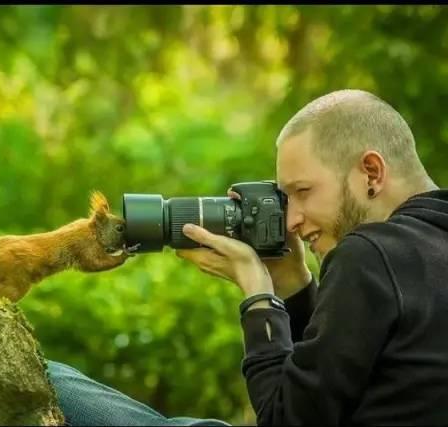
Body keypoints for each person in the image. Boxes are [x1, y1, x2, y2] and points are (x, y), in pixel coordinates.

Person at [46, 89, 448, 426]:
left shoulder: (370, 253)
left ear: (372, 173)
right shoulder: (423, 249)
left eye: (303, 191)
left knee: (52, 381)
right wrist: (293, 284)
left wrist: (257, 295)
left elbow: (284, 418)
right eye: (285, 200)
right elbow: (334, 387)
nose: (291, 220)